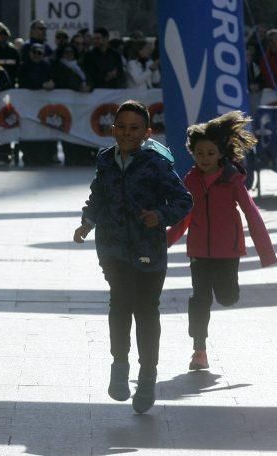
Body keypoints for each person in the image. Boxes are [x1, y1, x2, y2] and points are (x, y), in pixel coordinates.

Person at [73, 101, 192, 414]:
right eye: (121, 127)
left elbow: (183, 200)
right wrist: (87, 221)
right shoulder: (105, 159)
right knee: (120, 304)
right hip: (112, 248)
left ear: (147, 132)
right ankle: (119, 364)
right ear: (112, 129)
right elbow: (98, 195)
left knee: (146, 311)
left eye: (134, 128)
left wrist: (160, 215)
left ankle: (147, 374)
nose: (127, 133)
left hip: (147, 249)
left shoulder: (156, 163)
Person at [166, 111, 277, 371]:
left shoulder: (232, 180)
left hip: (228, 251)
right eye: (199, 153)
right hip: (199, 252)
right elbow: (184, 215)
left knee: (227, 297)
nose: (204, 159)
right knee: (200, 298)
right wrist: (166, 240)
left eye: (210, 153)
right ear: (192, 153)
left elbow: (251, 212)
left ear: (221, 154)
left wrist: (266, 252)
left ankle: (225, 295)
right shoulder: (191, 180)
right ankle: (199, 349)